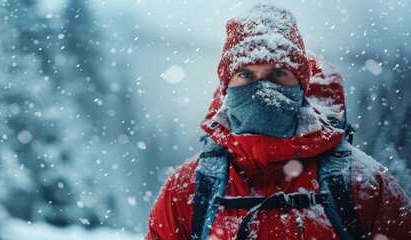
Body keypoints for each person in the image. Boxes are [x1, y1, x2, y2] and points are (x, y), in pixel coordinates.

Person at [145, 3, 411, 240]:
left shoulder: (362, 183)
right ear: (227, 87)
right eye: (246, 74)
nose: (262, 88)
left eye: (278, 73)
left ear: (301, 86)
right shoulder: (189, 186)